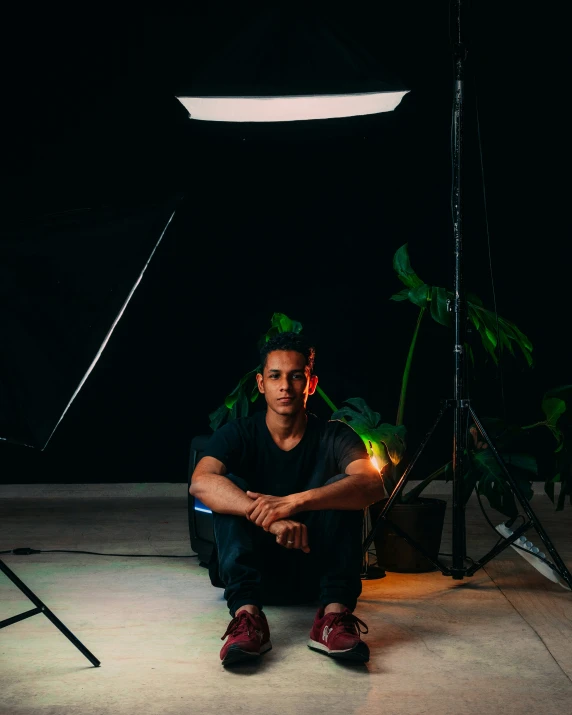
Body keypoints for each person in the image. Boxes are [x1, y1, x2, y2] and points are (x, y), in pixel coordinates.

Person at [190, 332, 385, 666]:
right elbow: (201, 482)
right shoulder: (238, 433)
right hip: (254, 575)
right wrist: (270, 517)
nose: (285, 386)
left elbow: (372, 484)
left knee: (344, 487)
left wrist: (297, 502)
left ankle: (332, 619)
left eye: (297, 376)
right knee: (228, 486)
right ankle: (248, 620)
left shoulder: (334, 434)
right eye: (275, 376)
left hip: (317, 572)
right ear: (260, 383)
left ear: (311, 384)